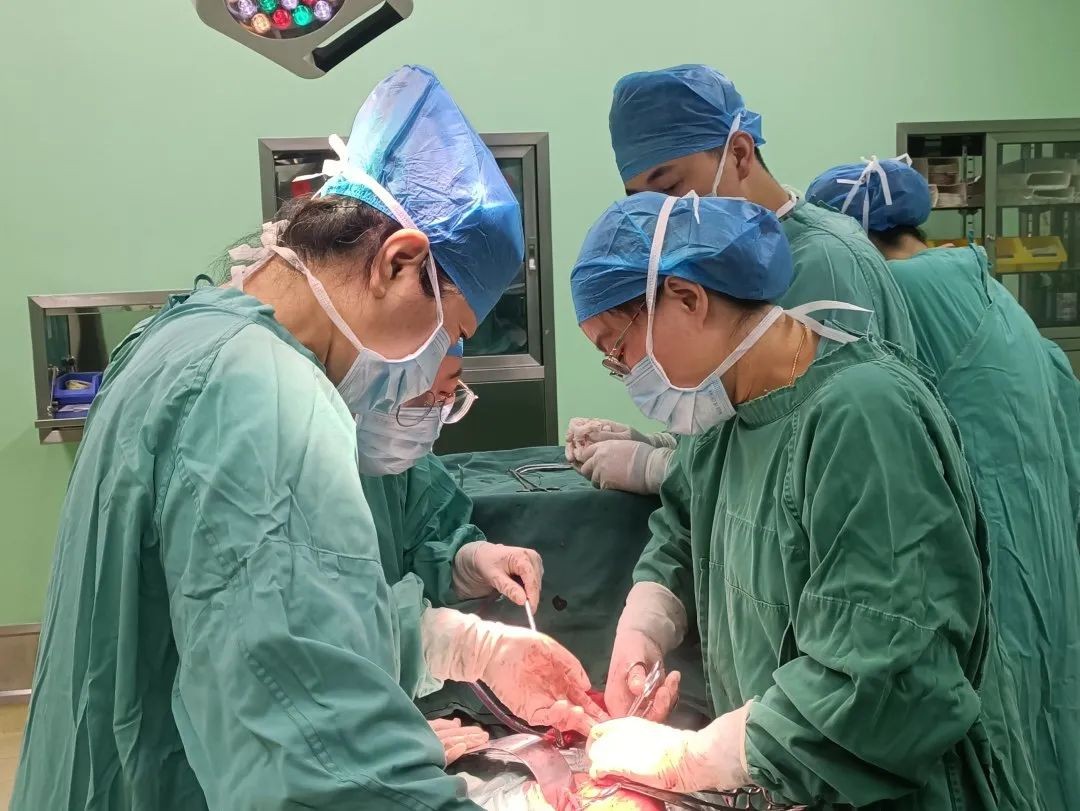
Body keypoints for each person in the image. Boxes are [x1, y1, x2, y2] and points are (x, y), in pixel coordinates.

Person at [12, 65, 601, 811]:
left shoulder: (180, 337)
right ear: (398, 261)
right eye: (447, 330)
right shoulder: (265, 398)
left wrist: (466, 645)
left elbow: (253, 620)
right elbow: (323, 759)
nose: (435, 369)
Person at [572, 192, 1039, 808]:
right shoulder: (723, 410)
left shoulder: (863, 418)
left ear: (687, 298)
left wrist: (696, 758)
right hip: (792, 782)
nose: (625, 372)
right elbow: (686, 521)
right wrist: (646, 621)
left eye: (617, 350)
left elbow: (886, 677)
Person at [807, 156, 1080, 807]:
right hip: (1046, 569)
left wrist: (660, 464)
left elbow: (818, 431)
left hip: (985, 580)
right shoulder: (992, 292)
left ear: (848, 246)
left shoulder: (896, 297)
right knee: (1048, 731)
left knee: (998, 748)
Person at [566, 64, 915, 496]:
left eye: (670, 187)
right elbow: (743, 417)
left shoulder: (825, 262)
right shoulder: (714, 267)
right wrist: (667, 445)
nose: (662, 215)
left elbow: (830, 452)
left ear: (740, 153)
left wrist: (659, 469)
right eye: (645, 203)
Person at [357, 345, 545, 765]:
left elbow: (420, 537)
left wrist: (467, 562)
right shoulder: (296, 458)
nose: (431, 413)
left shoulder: (397, 457)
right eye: (420, 396)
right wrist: (358, 739)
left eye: (446, 395)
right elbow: (304, 631)